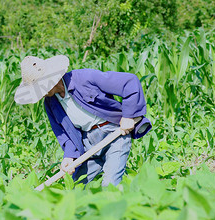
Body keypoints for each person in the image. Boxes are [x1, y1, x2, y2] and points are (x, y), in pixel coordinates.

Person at [14, 55, 151, 187]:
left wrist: (128, 116)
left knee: (110, 185)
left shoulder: (84, 78)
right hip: (87, 144)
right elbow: (62, 133)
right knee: (76, 188)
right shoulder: (50, 103)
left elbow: (129, 82)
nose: (41, 93)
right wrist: (69, 156)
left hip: (114, 134)